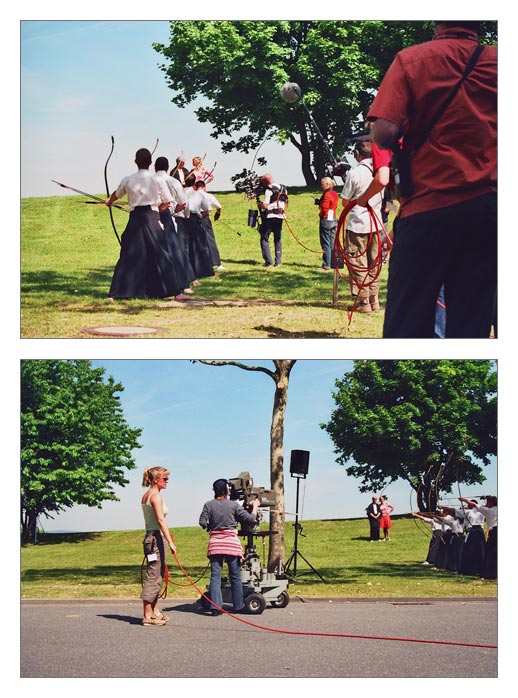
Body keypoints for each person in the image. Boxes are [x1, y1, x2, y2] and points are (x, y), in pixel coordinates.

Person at [366, 21, 497, 338]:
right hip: (488, 210)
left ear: (437, 21)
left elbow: (384, 133)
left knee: (406, 321)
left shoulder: (411, 60)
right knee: (472, 321)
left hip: (428, 207)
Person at [105, 148, 185, 301]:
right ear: (150, 163)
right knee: (161, 253)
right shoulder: (158, 180)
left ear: (135, 162)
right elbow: (167, 202)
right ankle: (176, 292)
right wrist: (157, 212)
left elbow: (117, 194)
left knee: (128, 254)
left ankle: (114, 294)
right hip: (152, 217)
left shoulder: (128, 179)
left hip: (136, 218)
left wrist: (109, 201)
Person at [199, 479, 260, 615]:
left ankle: (216, 607)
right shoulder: (234, 505)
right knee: (235, 576)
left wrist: (211, 527)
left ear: (214, 491)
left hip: (216, 544)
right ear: (227, 491)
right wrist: (255, 506)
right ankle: (238, 606)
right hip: (231, 544)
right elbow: (250, 519)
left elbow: (202, 522)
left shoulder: (208, 505)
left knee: (215, 577)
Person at [341, 140, 385, 312]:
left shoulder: (355, 173)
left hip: (358, 224)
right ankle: (375, 299)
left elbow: (345, 202)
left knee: (357, 261)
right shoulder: (380, 171)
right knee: (374, 261)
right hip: (376, 223)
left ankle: (364, 302)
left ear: (357, 154)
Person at [154, 156, 197, 296]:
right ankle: (183, 285)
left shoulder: (150, 180)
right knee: (174, 250)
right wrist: (173, 212)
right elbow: (183, 203)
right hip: (168, 217)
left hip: (151, 218)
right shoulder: (173, 181)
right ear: (167, 168)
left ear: (155, 167)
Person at [140, 466, 177, 626]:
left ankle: (155, 611)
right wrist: (170, 542)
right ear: (156, 479)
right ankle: (147, 615)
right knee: (154, 574)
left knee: (158, 574)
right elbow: (161, 520)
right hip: (155, 538)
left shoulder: (147, 495)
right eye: (165, 479)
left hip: (152, 537)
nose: (167, 482)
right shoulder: (155, 497)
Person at [440, 499, 486, 576]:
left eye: (468, 505)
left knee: (469, 550)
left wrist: (443, 507)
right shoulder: (482, 510)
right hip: (480, 532)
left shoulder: (468, 512)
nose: (467, 506)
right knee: (480, 551)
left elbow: (454, 511)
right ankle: (480, 570)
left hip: (472, 532)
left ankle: (469, 570)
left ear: (472, 504)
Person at [184, 176, 216, 281]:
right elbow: (207, 211)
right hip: (194, 219)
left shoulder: (180, 192)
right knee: (200, 245)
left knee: (185, 245)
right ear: (194, 183)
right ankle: (204, 270)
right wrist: (199, 218)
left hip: (182, 220)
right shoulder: (199, 194)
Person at [460, 496, 497, 579]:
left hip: (494, 533)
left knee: (490, 553)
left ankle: (489, 574)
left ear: (491, 503)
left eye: (487, 502)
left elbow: (474, 504)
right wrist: (486, 497)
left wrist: (464, 500)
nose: (486, 504)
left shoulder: (488, 510)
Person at [194, 180, 225, 270]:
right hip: (205, 218)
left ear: (195, 188)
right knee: (210, 239)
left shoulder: (192, 195)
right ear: (204, 187)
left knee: (196, 240)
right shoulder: (208, 195)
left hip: (194, 217)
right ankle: (217, 263)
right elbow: (219, 207)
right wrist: (217, 214)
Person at [258, 173, 288, 267]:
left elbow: (265, 205)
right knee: (277, 239)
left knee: (264, 238)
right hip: (280, 216)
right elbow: (286, 202)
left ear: (265, 182)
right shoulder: (283, 188)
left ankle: (269, 262)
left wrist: (260, 204)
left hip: (270, 217)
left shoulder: (268, 190)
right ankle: (278, 261)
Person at [316, 177, 338, 271]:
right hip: (333, 218)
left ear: (328, 184)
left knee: (325, 242)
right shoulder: (334, 193)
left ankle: (326, 264)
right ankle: (333, 263)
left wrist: (319, 205)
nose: (321, 186)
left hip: (325, 219)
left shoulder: (327, 194)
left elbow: (325, 208)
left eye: (322, 184)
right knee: (332, 242)